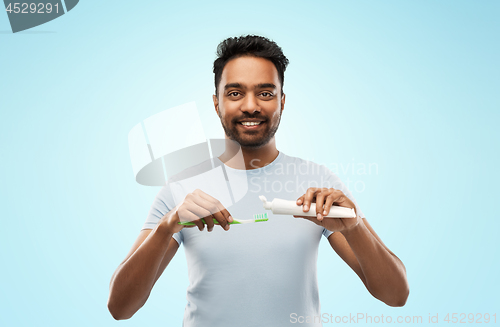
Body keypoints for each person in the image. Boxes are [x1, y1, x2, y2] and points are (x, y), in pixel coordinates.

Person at [107, 35, 409, 326]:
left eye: (265, 93)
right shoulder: (180, 188)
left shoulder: (318, 183)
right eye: (235, 93)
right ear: (216, 103)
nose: (251, 106)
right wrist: (167, 226)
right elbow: (120, 308)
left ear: (282, 101)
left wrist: (354, 227)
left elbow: (396, 295)